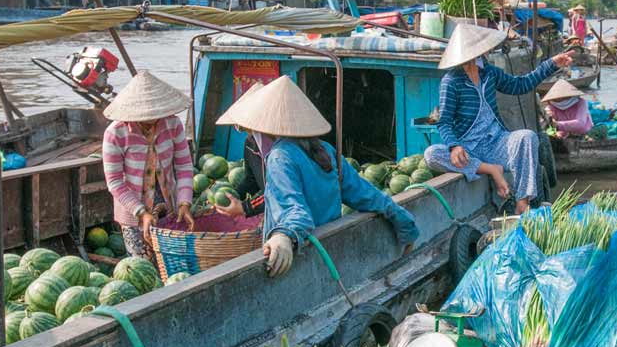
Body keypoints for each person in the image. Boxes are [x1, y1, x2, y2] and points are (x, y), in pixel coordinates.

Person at [213, 76, 418, 276]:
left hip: (302, 261)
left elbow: (295, 211)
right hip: (331, 251)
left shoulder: (279, 157)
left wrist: (283, 236)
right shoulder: (326, 149)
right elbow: (366, 194)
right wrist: (404, 223)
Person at [423, 23, 572, 214]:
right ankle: (492, 170)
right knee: (431, 154)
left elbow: (520, 85)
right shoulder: (451, 81)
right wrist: (454, 146)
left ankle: (522, 201)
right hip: (470, 149)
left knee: (527, 137)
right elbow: (444, 122)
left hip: (497, 143)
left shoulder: (489, 73)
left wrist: (551, 65)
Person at [102, 71, 196, 260]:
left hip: (168, 207)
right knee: (143, 266)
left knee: (171, 263)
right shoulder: (115, 133)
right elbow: (115, 183)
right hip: (132, 212)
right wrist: (142, 213)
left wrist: (184, 202)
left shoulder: (173, 124)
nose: (151, 119)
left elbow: (184, 167)